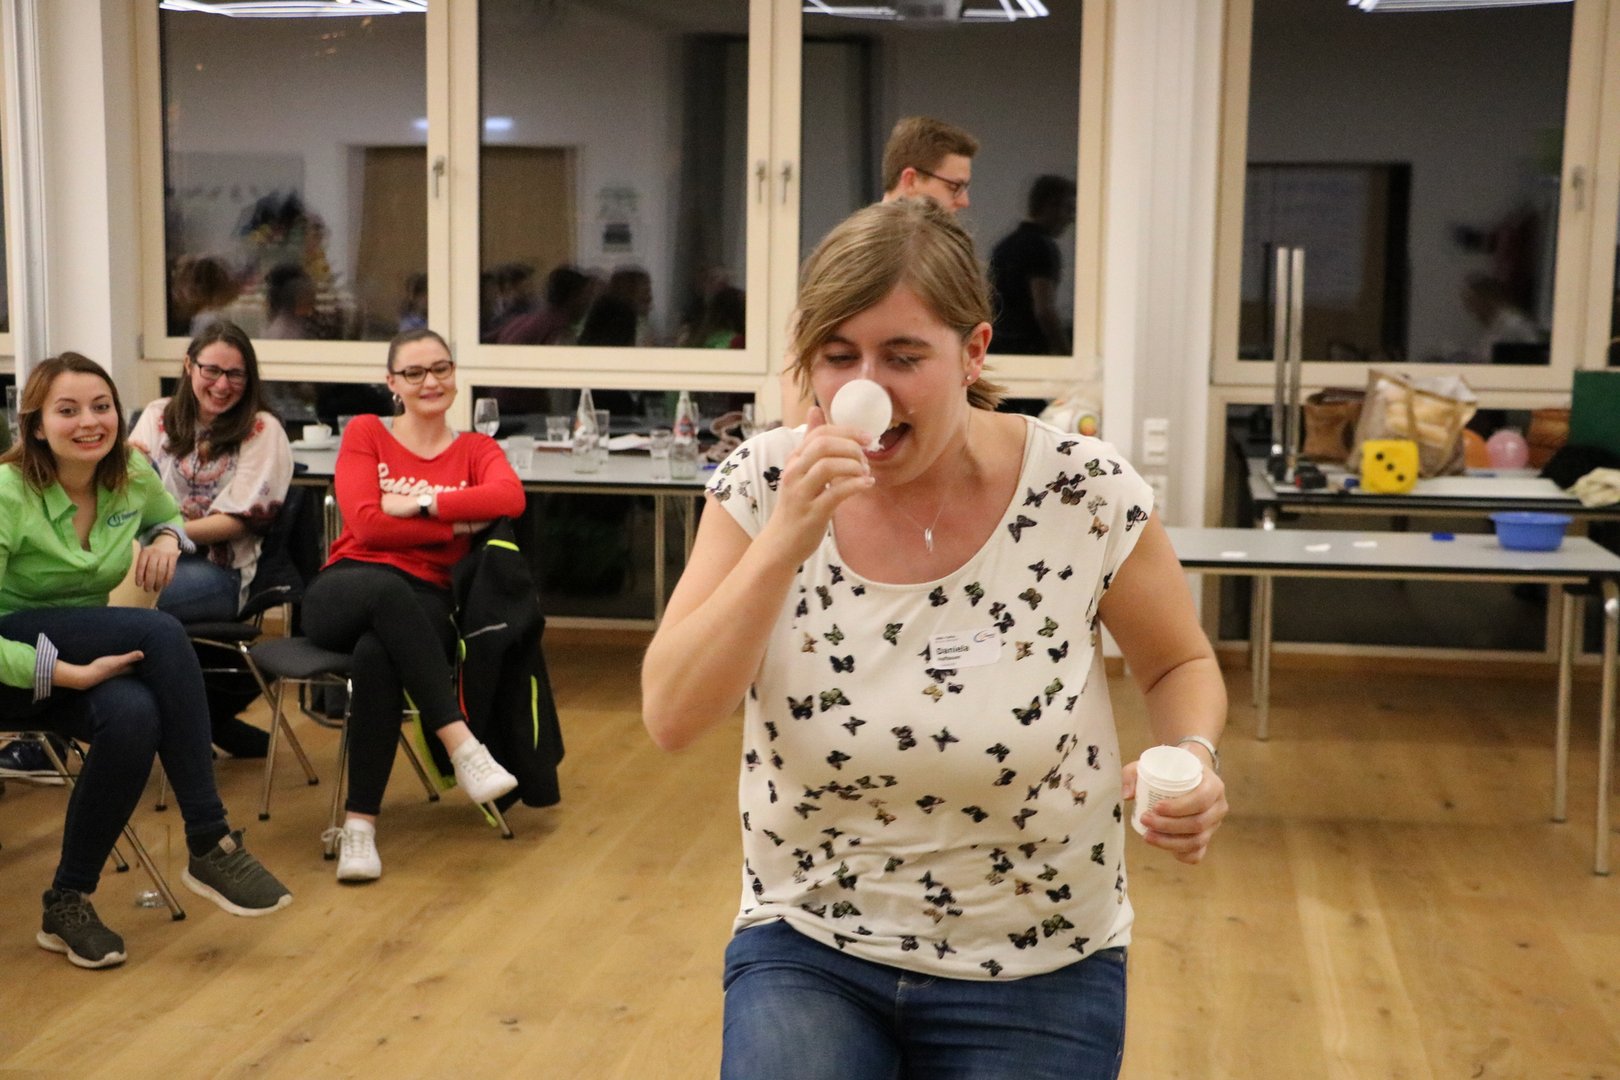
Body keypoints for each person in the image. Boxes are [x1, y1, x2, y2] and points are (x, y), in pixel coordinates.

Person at [642, 199, 1228, 1078]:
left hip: (1040, 955)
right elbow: (672, 716)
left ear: (974, 352)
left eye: (902, 356)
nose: (864, 388)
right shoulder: (763, 484)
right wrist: (783, 544)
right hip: (812, 936)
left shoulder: (1083, 491)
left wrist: (1193, 756)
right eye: (838, 356)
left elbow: (1180, 661)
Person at [0, 354, 292, 970]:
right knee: (158, 630)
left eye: (101, 406)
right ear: (36, 424)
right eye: (68, 410)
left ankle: (67, 902)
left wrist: (164, 538)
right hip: (11, 657)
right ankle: (208, 836)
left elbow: (170, 519)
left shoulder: (130, 471)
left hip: (78, 644)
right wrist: (62, 674)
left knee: (133, 716)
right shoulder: (6, 491)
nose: (89, 422)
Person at [302, 328, 526, 884]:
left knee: (379, 655)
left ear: (454, 374)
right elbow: (365, 525)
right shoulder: (367, 432)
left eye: (441, 368)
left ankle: (359, 827)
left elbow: (509, 498)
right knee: (384, 592)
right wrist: (455, 525)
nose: (430, 381)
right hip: (345, 587)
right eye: (415, 372)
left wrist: (420, 502)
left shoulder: (476, 450)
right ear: (392, 383)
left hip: (425, 599)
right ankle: (461, 743)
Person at [128, 321, 293, 758]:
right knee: (78, 593)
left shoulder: (262, 429)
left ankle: (150, 726)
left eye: (235, 374)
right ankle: (188, 719)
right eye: (212, 370)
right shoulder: (157, 415)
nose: (222, 385)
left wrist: (168, 535)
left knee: (116, 604)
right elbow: (122, 488)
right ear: (189, 366)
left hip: (219, 573)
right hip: (144, 556)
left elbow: (237, 521)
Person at [780, 116, 981, 425]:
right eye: (954, 187)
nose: (964, 200)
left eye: (904, 359)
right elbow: (796, 368)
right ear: (911, 179)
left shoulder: (950, 256)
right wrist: (802, 441)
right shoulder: (852, 256)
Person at [988, 175, 1077, 356]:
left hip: (998, 346)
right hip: (1028, 349)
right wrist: (1065, 352)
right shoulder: (1042, 246)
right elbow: (1044, 309)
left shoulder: (1005, 245)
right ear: (1050, 206)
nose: (1071, 218)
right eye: (1068, 209)